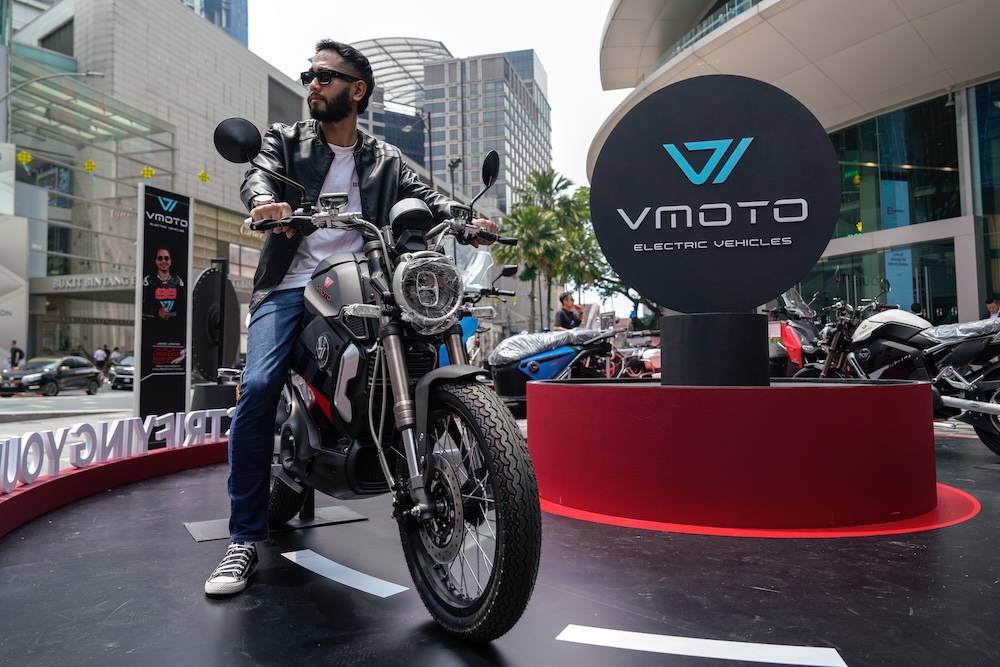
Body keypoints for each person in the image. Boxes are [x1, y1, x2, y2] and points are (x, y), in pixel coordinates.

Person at [205, 39, 498, 596]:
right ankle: (242, 539)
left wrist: (465, 220)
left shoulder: (384, 158)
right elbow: (259, 176)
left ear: (357, 91)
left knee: (429, 342)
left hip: (367, 282)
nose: (312, 85)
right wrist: (265, 204)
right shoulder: (285, 140)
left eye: (324, 76)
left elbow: (425, 198)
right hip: (292, 286)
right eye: (310, 76)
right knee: (259, 387)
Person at [142, 247, 185, 324]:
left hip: (175, 327)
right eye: (160, 258)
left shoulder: (178, 281)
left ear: (170, 261)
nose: (163, 261)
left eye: (166, 258)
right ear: (156, 261)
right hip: (153, 327)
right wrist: (157, 313)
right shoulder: (148, 281)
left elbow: (184, 307)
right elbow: (142, 307)